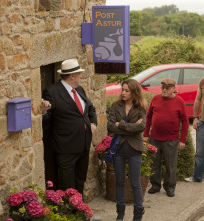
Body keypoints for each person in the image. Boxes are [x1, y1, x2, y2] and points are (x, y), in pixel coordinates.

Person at [42, 58, 97, 194]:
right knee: (67, 184)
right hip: (65, 148)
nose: (81, 76)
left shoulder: (79, 90)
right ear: (72, 76)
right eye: (79, 74)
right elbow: (47, 121)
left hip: (83, 145)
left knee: (80, 180)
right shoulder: (52, 92)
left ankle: (80, 210)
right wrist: (43, 112)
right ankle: (70, 213)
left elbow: (90, 108)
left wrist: (93, 123)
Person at [107, 79, 148, 221]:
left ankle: (138, 213)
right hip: (118, 148)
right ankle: (120, 214)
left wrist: (122, 125)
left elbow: (141, 128)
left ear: (134, 92)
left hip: (134, 148)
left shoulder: (140, 108)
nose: (123, 93)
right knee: (119, 181)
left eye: (127, 90)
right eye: (122, 89)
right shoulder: (115, 106)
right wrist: (130, 127)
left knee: (135, 182)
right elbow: (111, 126)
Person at [143, 78, 189, 197]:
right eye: (162, 87)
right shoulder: (155, 99)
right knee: (154, 163)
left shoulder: (179, 102)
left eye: (167, 88)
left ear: (173, 89)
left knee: (170, 165)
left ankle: (169, 187)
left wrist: (182, 140)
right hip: (155, 138)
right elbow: (148, 118)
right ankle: (155, 185)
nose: (164, 90)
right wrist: (146, 134)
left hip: (171, 139)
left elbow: (185, 122)